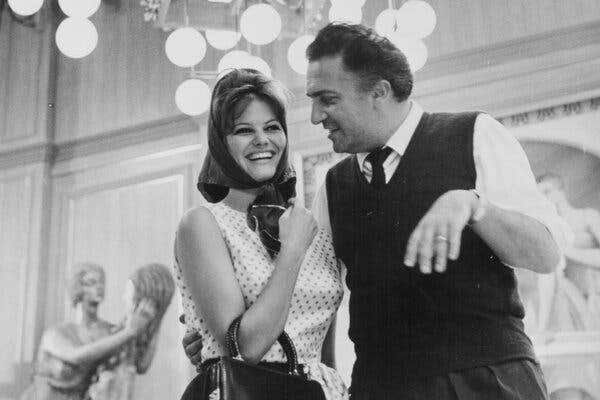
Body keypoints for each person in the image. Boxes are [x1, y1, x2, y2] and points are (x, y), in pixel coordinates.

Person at [305, 23, 571, 399]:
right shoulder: (332, 187)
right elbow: (310, 302)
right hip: (380, 389)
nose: (315, 116)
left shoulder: (475, 134)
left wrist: (474, 206)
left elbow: (546, 255)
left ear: (379, 91)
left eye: (328, 99)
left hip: (488, 383)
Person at [174, 68, 347, 400]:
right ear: (220, 143)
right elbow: (246, 348)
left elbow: (321, 348)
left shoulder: (308, 225)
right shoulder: (203, 223)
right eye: (243, 130)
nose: (262, 140)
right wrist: (292, 250)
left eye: (272, 127)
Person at [19, 262, 155, 400]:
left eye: (102, 282)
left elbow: (140, 365)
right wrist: (128, 332)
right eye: (91, 282)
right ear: (77, 287)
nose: (99, 286)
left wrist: (153, 320)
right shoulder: (56, 332)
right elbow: (77, 356)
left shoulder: (109, 332)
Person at [86, 263, 175, 400]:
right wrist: (130, 330)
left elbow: (142, 365)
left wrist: (156, 320)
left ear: (141, 299)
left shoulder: (135, 337)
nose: (124, 297)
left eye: (128, 292)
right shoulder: (111, 331)